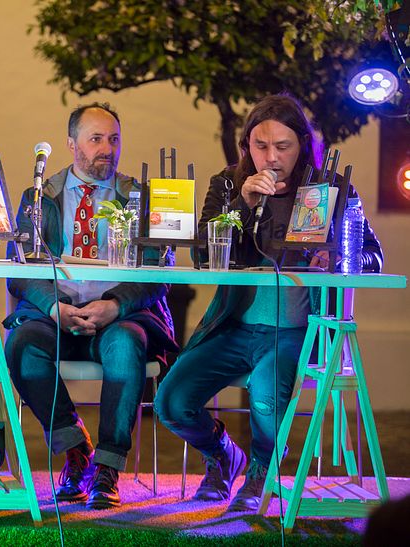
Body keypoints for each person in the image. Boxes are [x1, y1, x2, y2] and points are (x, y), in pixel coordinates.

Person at [154, 94, 383, 512]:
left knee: (265, 392)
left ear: (303, 146)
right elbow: (202, 254)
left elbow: (373, 256)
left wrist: (339, 257)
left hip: (297, 331)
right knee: (171, 400)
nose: (271, 157)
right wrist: (242, 206)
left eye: (283, 147)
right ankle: (223, 455)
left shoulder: (330, 187)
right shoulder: (227, 183)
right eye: (261, 147)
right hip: (233, 326)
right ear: (247, 147)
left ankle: (260, 471)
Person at [3, 103, 178, 509]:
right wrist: (53, 308)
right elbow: (20, 271)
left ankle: (107, 468)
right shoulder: (38, 197)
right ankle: (75, 447)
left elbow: (160, 272)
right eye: (96, 139)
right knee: (21, 346)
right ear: (71, 144)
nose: (107, 149)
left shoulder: (138, 196)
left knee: (125, 347)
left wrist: (115, 305)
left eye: (114, 139)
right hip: (56, 316)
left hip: (119, 319)